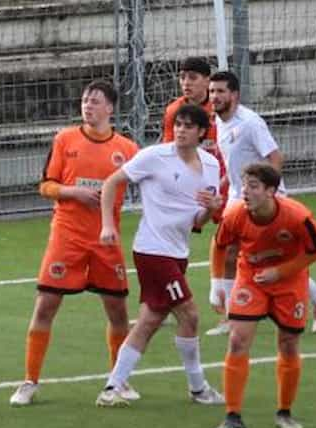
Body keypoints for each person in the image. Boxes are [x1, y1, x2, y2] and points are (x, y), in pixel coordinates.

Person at [13, 79, 139, 406]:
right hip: (67, 235)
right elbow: (45, 185)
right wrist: (73, 193)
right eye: (85, 100)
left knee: (117, 310)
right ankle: (29, 381)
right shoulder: (64, 139)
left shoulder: (127, 149)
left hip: (106, 239)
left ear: (110, 108)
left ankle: (118, 380)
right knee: (45, 305)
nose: (88, 106)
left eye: (95, 101)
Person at [95, 104, 227, 408]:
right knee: (190, 315)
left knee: (150, 320)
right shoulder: (155, 157)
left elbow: (198, 222)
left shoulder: (210, 165)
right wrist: (106, 224)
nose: (180, 130)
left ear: (201, 133)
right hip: (153, 251)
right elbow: (112, 182)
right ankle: (198, 387)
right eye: (177, 124)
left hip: (177, 251)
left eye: (187, 126)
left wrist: (211, 207)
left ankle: (112, 386)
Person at [207, 70, 316, 336]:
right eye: (212, 91)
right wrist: (221, 186)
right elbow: (234, 164)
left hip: (265, 197)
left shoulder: (251, 122)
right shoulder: (219, 122)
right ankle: (233, 313)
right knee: (232, 252)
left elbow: (275, 157)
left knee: (265, 256)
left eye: (220, 91)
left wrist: (270, 196)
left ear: (234, 95)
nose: (215, 96)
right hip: (238, 194)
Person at [206, 163, 316, 428]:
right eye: (244, 185)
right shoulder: (236, 215)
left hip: (289, 282)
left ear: (271, 191)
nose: (245, 192)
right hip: (251, 278)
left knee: (288, 343)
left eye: (253, 187)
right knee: (237, 340)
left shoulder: (297, 216)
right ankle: (232, 417)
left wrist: (281, 272)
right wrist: (216, 284)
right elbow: (219, 244)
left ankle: (284, 412)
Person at [160, 56, 220, 149]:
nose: (186, 82)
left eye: (193, 77)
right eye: (182, 77)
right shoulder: (173, 110)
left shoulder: (218, 107)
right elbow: (168, 147)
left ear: (207, 81)